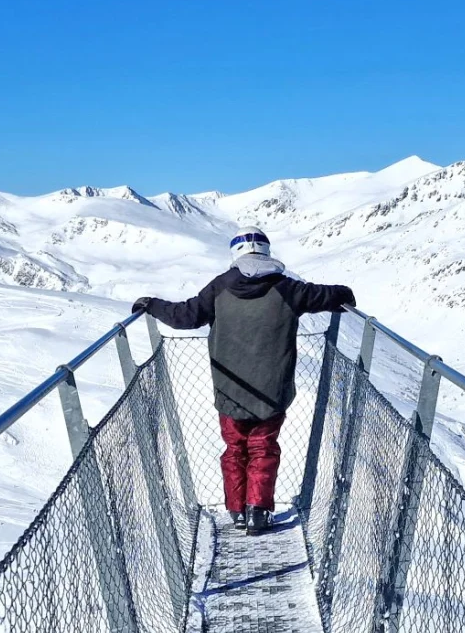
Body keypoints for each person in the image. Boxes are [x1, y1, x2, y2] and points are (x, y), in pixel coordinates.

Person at [132, 226, 355, 534]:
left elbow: (186, 316)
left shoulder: (220, 287)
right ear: (266, 251)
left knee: (235, 448)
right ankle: (258, 511)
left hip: (230, 389)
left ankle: (237, 510)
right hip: (272, 390)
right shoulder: (288, 288)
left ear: (234, 253)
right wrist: (345, 295)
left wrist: (151, 304)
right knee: (263, 447)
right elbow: (326, 295)